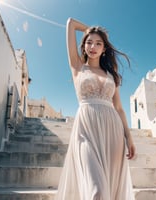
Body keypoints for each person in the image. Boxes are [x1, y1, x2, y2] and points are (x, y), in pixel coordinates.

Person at [56, 18, 136, 200]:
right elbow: (70, 24)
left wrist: (129, 138)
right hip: (86, 130)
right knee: (97, 192)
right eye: (89, 42)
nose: (93, 46)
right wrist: (91, 30)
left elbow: (119, 108)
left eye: (99, 43)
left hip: (112, 132)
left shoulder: (112, 74)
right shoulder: (77, 67)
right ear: (83, 45)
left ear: (104, 48)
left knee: (111, 188)